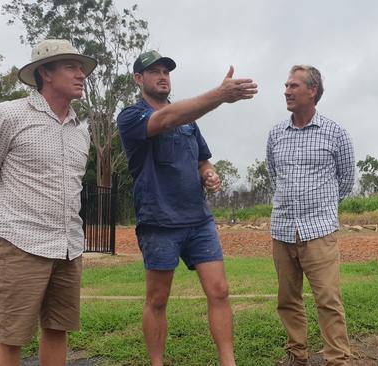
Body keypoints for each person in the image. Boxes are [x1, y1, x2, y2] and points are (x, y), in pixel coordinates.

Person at [116, 50, 257, 366]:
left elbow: (201, 159)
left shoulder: (189, 121)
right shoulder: (131, 117)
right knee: (157, 299)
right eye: (154, 71)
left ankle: (228, 362)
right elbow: (166, 119)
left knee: (219, 291)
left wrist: (208, 172)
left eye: (166, 71)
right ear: (139, 79)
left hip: (198, 221)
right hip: (159, 221)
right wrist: (220, 95)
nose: (163, 76)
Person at [0, 39, 97, 366]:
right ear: (45, 73)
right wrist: (3, 218)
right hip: (20, 243)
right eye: (71, 66)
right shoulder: (7, 115)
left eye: (81, 67)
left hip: (68, 245)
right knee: (12, 337)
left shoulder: (80, 129)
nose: (81, 73)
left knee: (57, 329)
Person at [266, 65, 356, 366]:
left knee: (328, 300)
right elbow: (273, 175)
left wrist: (322, 208)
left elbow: (345, 180)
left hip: (319, 231)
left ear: (312, 90)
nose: (286, 91)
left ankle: (338, 359)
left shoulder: (335, 133)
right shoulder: (276, 134)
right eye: (286, 85)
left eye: (293, 86)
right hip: (282, 231)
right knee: (287, 300)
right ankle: (297, 354)